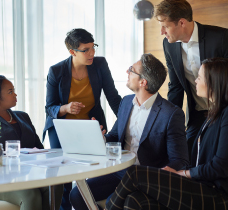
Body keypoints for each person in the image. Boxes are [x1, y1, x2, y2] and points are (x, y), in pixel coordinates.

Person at [105, 57, 228, 210]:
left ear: (214, 82)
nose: (195, 81)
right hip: (199, 184)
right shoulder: (212, 114)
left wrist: (182, 173)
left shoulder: (226, 115)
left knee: (134, 173)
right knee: (133, 200)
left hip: (216, 194)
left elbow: (220, 166)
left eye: (199, 77)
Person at [70, 53, 189, 210]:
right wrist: (100, 137)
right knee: (77, 194)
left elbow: (180, 160)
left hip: (144, 177)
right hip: (118, 171)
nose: (127, 72)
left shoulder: (171, 113)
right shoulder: (126, 102)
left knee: (113, 202)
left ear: (143, 82)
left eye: (131, 70)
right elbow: (114, 136)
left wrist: (158, 175)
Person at [43, 28, 122, 210]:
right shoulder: (56, 71)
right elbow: (49, 107)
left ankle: (85, 202)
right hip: (63, 128)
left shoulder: (99, 65)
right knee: (63, 177)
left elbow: (113, 97)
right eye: (85, 50)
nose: (92, 53)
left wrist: (127, 120)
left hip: (90, 125)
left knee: (95, 171)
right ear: (72, 52)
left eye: (93, 47)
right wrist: (66, 108)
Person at [0, 74, 63, 210]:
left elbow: (39, 149)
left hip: (28, 175)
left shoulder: (23, 116)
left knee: (55, 184)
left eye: (14, 90)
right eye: (10, 92)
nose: (15, 94)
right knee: (31, 194)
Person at [154, 0, 228, 160]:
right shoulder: (169, 45)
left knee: (214, 158)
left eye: (165, 26)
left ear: (181, 23)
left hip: (224, 112)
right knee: (186, 155)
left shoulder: (221, 38)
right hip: (196, 113)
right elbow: (175, 87)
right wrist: (170, 121)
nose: (162, 32)